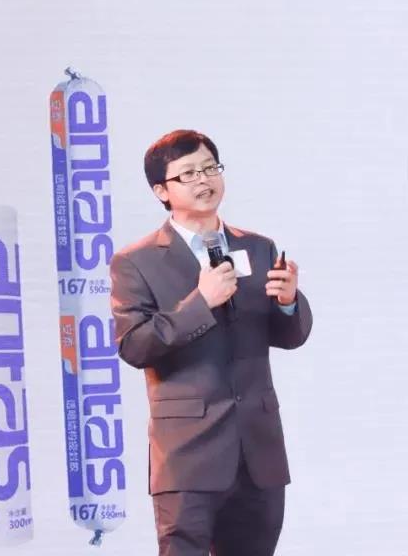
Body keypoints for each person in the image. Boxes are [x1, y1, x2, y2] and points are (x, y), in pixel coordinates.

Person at [109, 129, 313, 556]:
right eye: (188, 174)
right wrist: (200, 303)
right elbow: (135, 346)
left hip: (259, 453)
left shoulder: (258, 248)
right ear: (161, 191)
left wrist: (290, 302)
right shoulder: (136, 261)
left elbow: (289, 336)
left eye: (209, 168)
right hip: (188, 456)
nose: (204, 180)